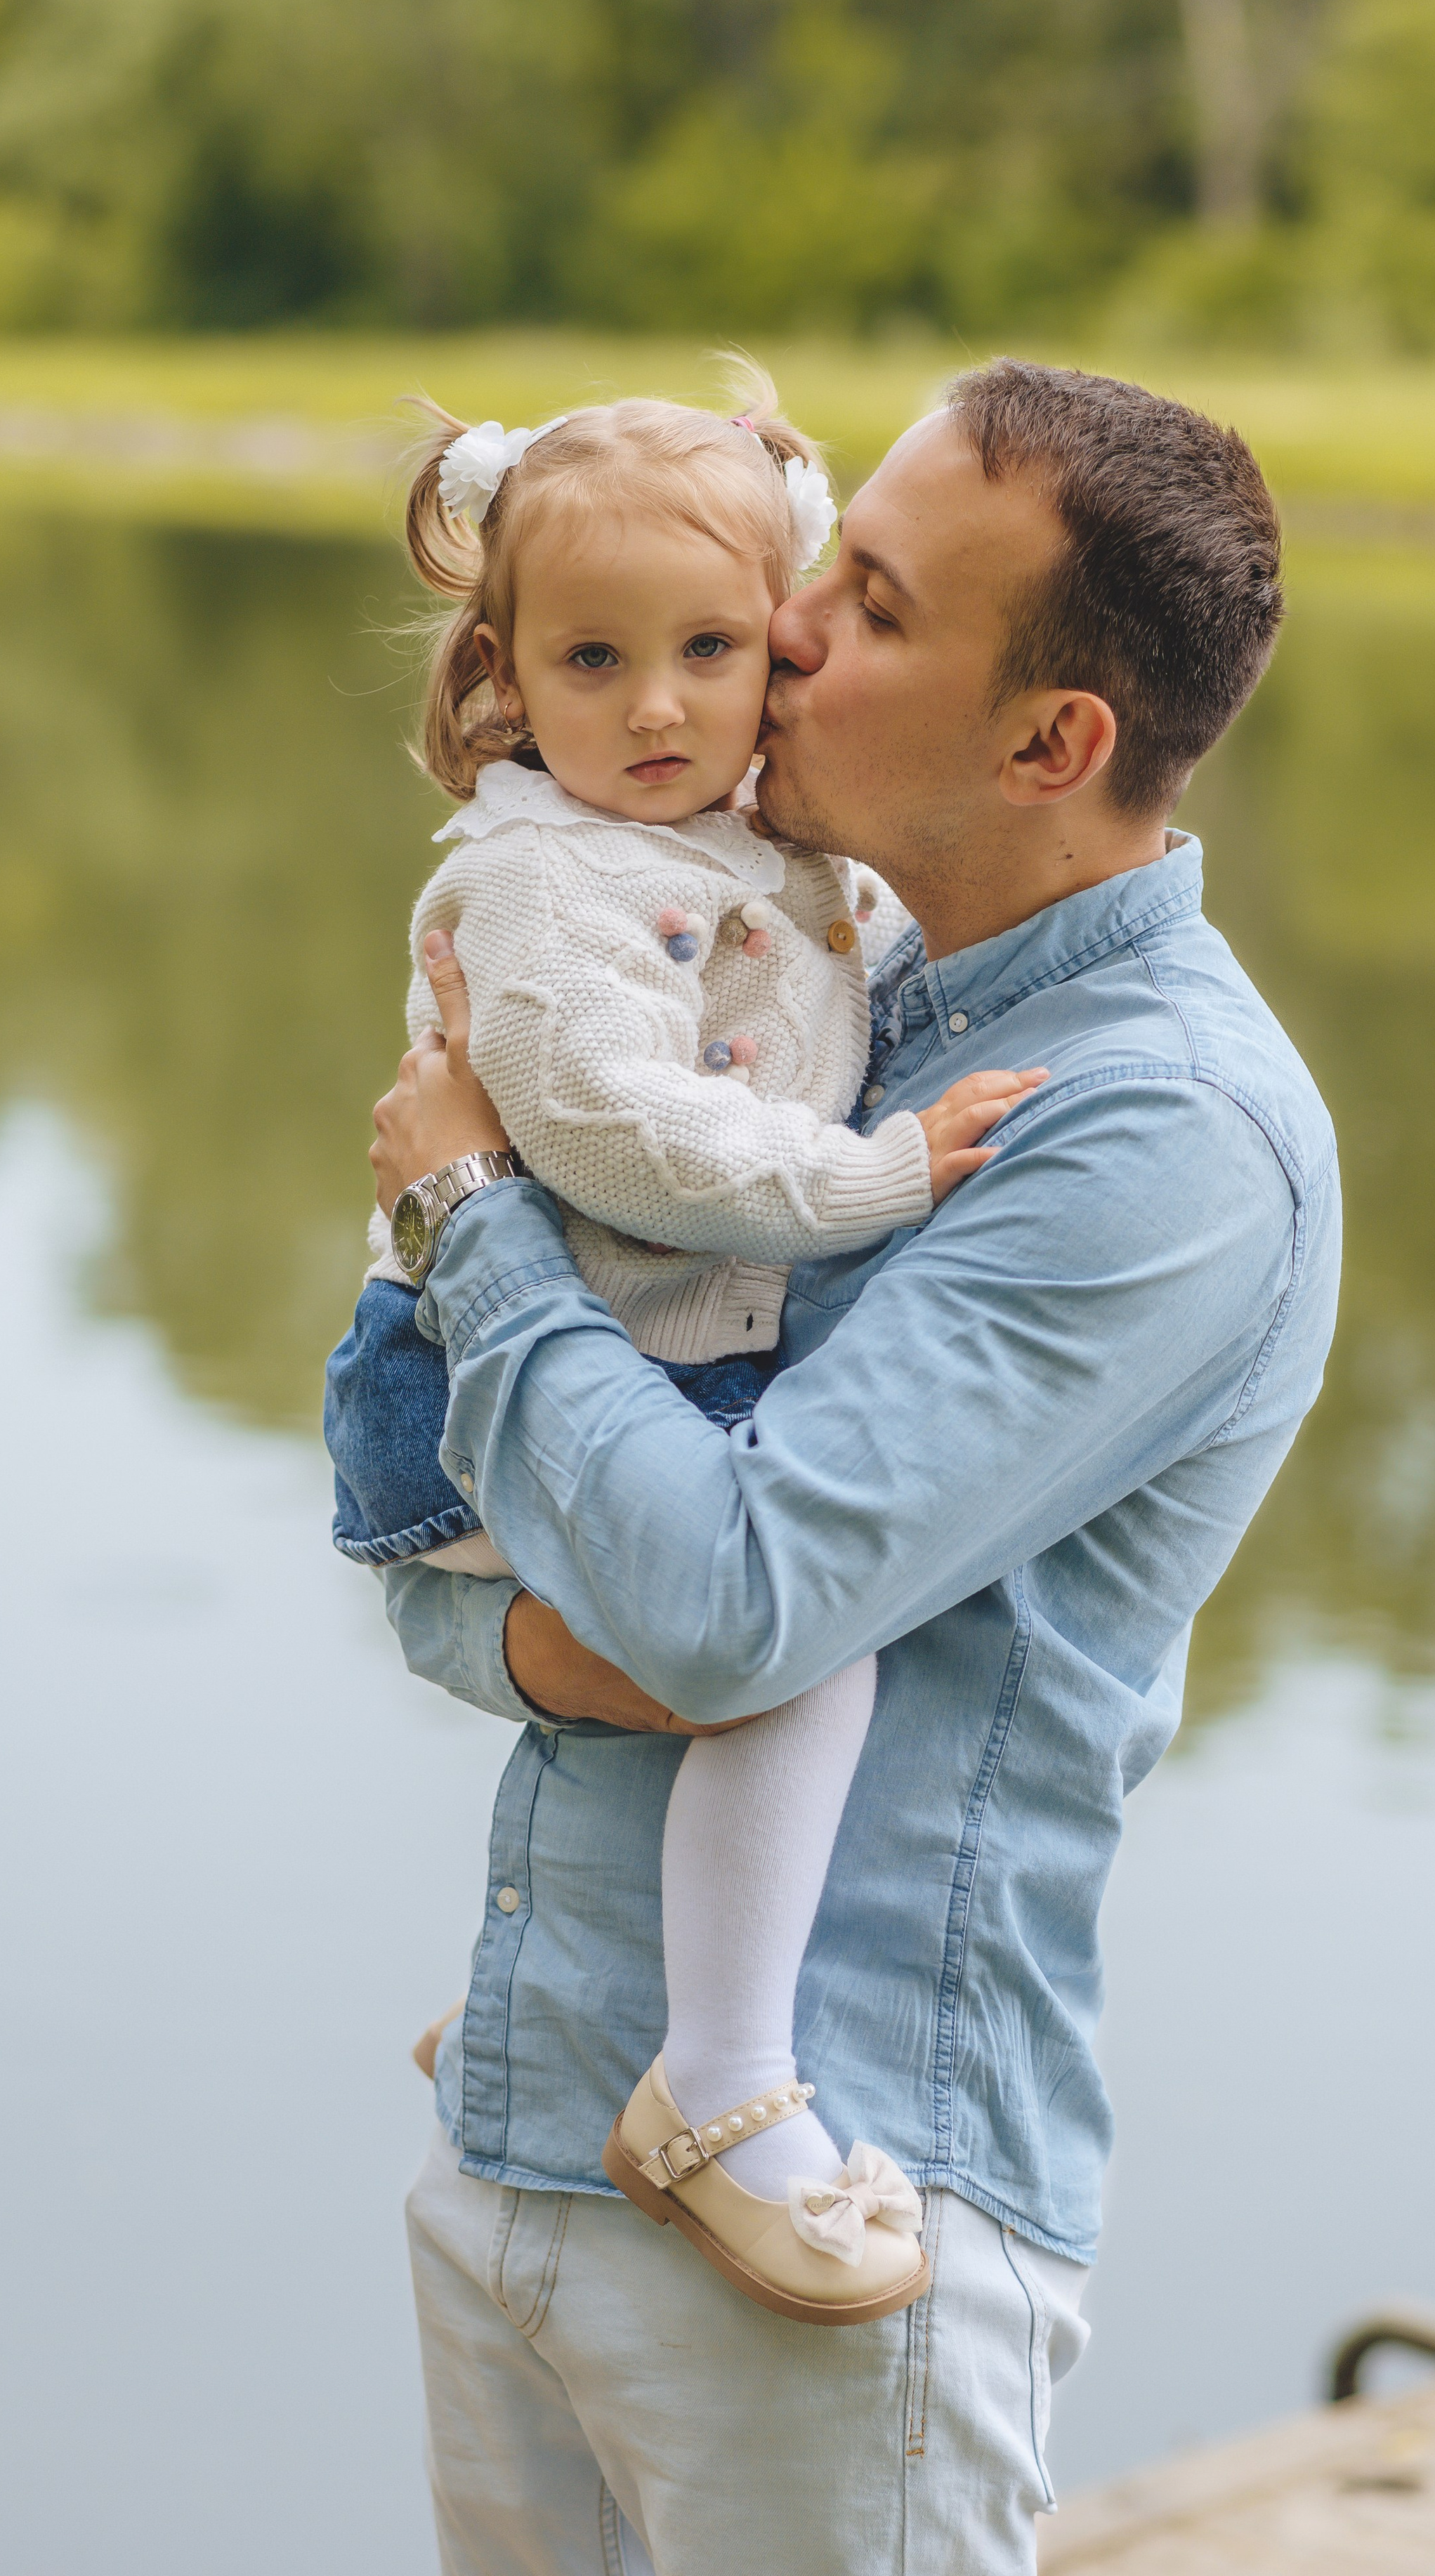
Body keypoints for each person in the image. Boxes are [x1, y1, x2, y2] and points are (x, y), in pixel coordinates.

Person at [369, 359, 1341, 2576]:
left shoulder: (1155, 1132)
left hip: (828, 2249)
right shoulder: (809, 977)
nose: (782, 628)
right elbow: (496, 1555)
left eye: (867, 601)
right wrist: (502, 1627)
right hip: (526, 2124)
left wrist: (469, 1215)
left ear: (1051, 742)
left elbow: (722, 1608)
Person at [327, 369, 1042, 2325]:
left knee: (722, 1654)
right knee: (791, 1652)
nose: (658, 707)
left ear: (773, 645)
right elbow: (623, 1132)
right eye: (595, 658)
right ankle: (713, 2083)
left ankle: (550, 1998)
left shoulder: (735, 847)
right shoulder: (542, 882)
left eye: (711, 651)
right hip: (487, 1393)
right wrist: (874, 1176)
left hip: (609, 1359)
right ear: (502, 675)